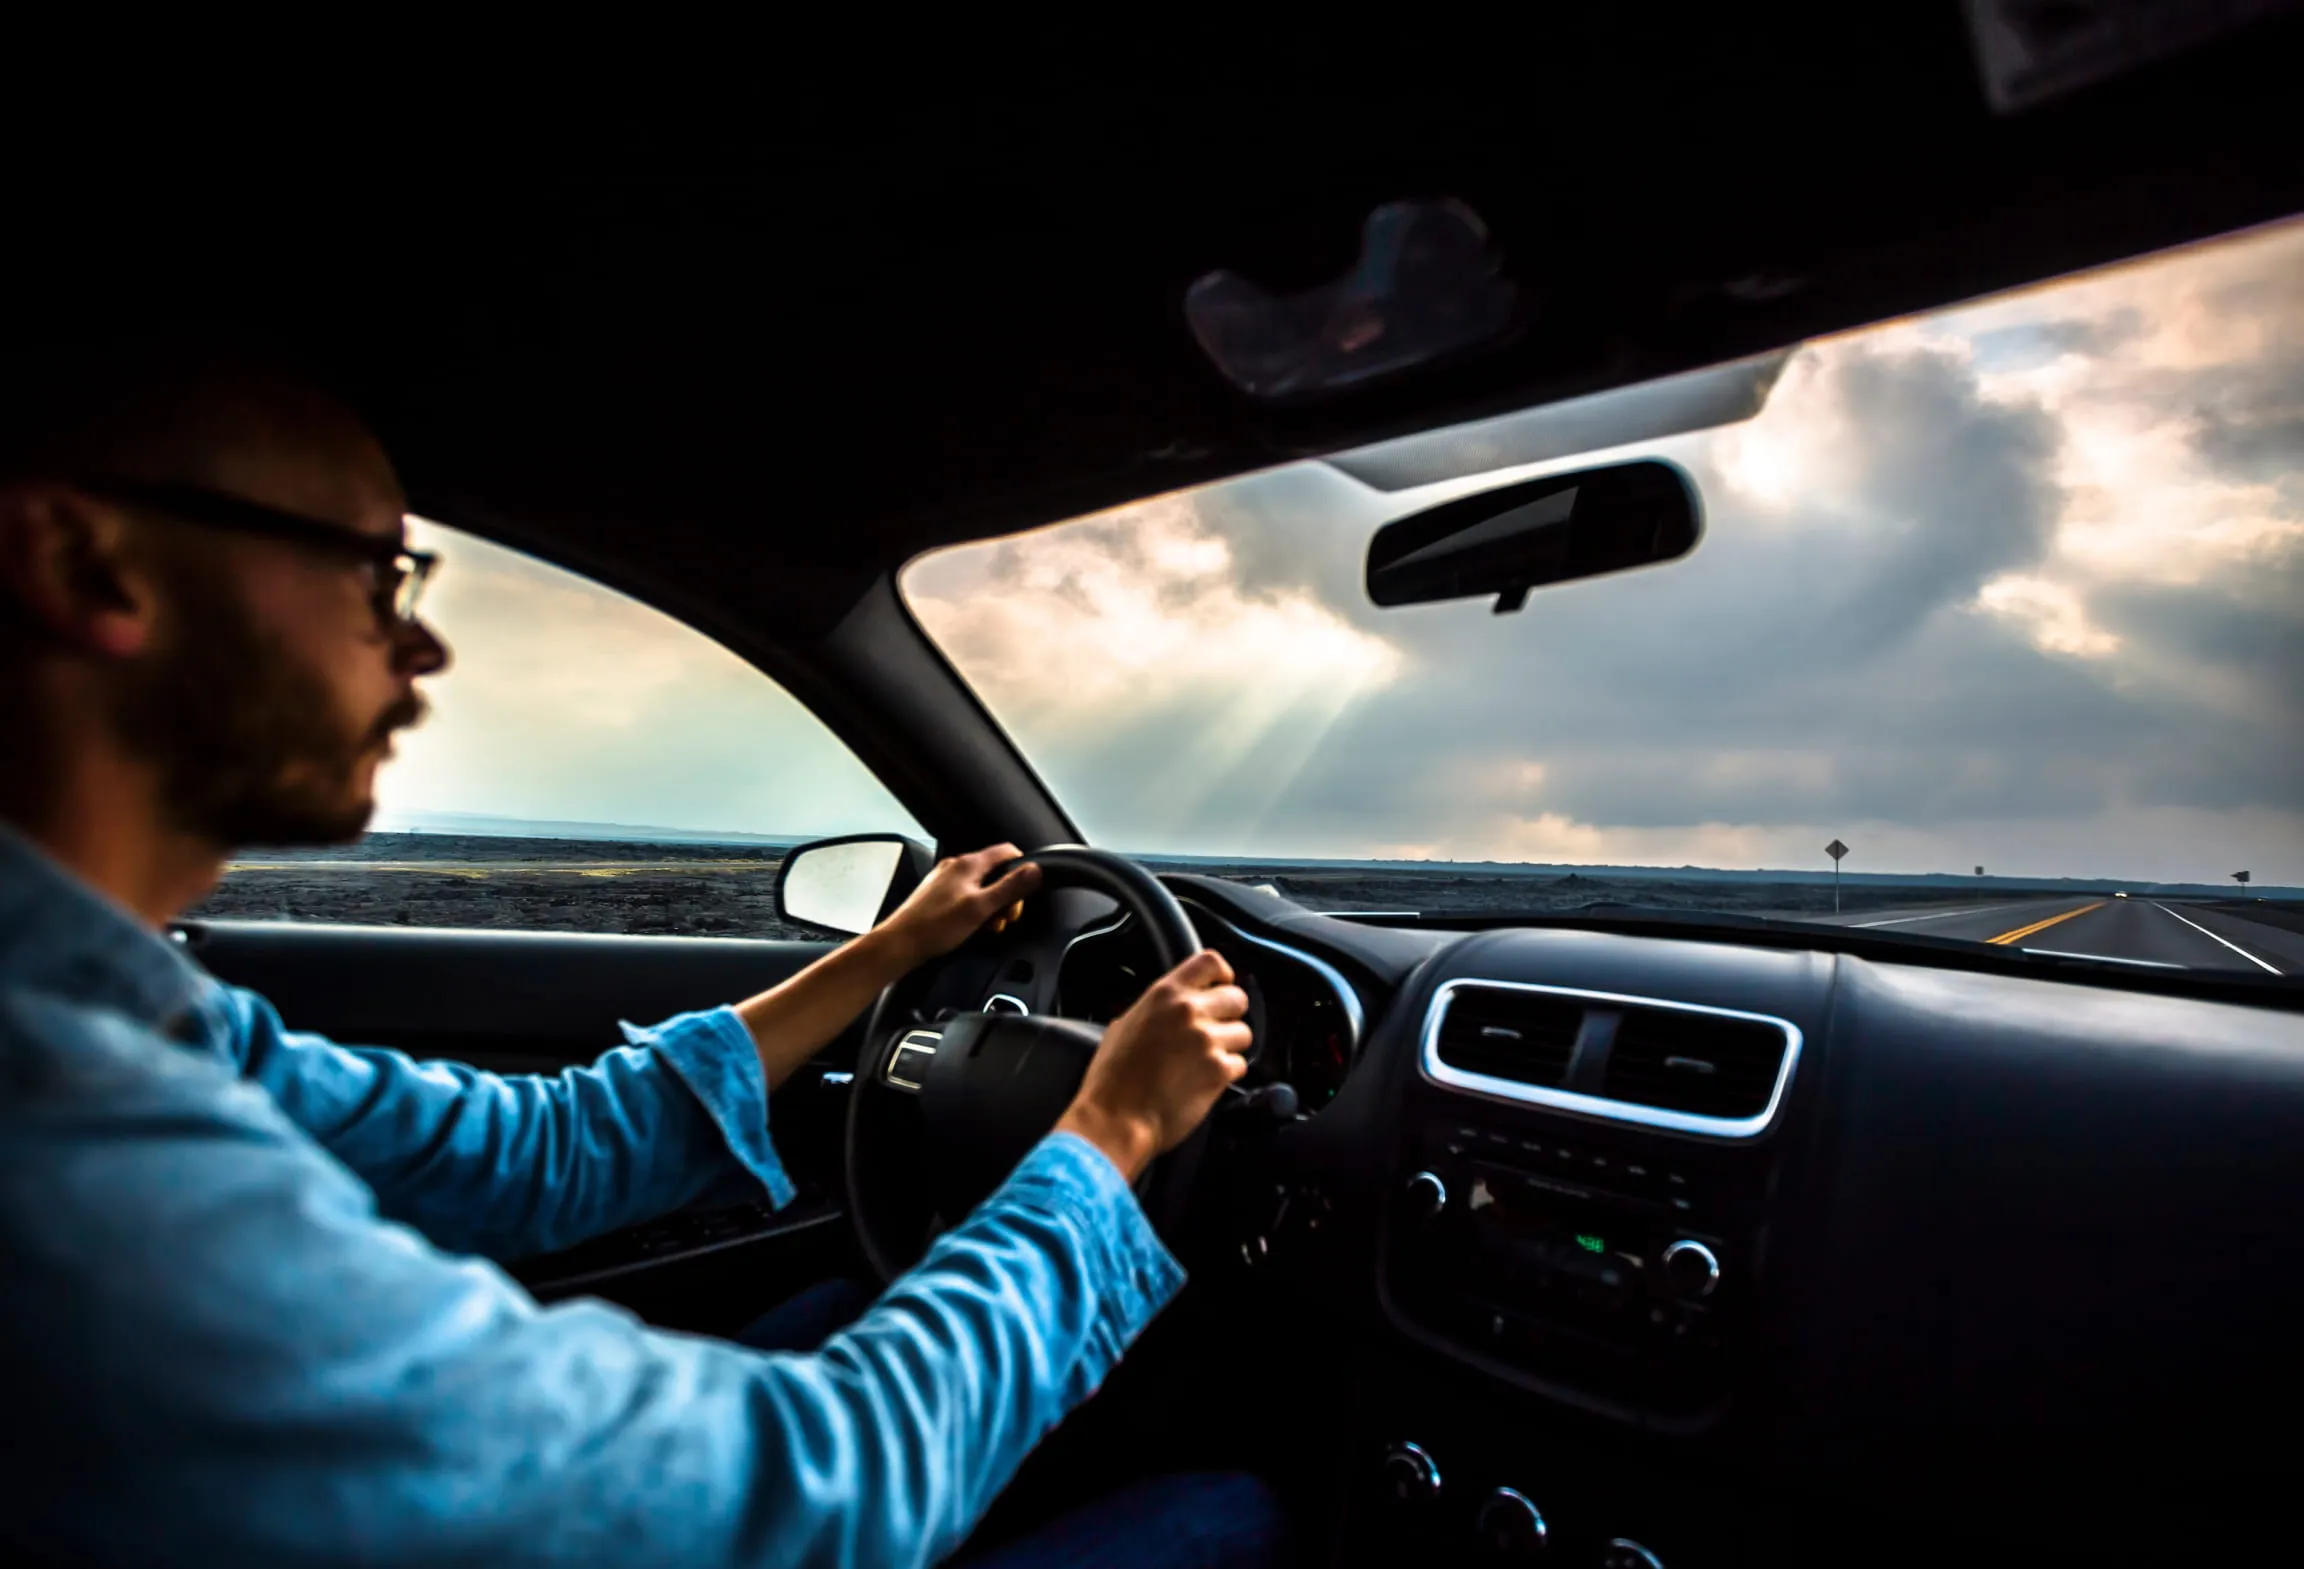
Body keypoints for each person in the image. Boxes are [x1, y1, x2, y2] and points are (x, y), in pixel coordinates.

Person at [0, 338, 1291, 1568]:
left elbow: (532, 1156)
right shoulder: (69, 1138)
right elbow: (800, 1501)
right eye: (371, 574)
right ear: (86, 563)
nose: (421, 645)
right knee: (1233, 1514)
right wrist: (1111, 1132)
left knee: (844, 1312)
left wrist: (892, 949)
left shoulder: (145, 1024)